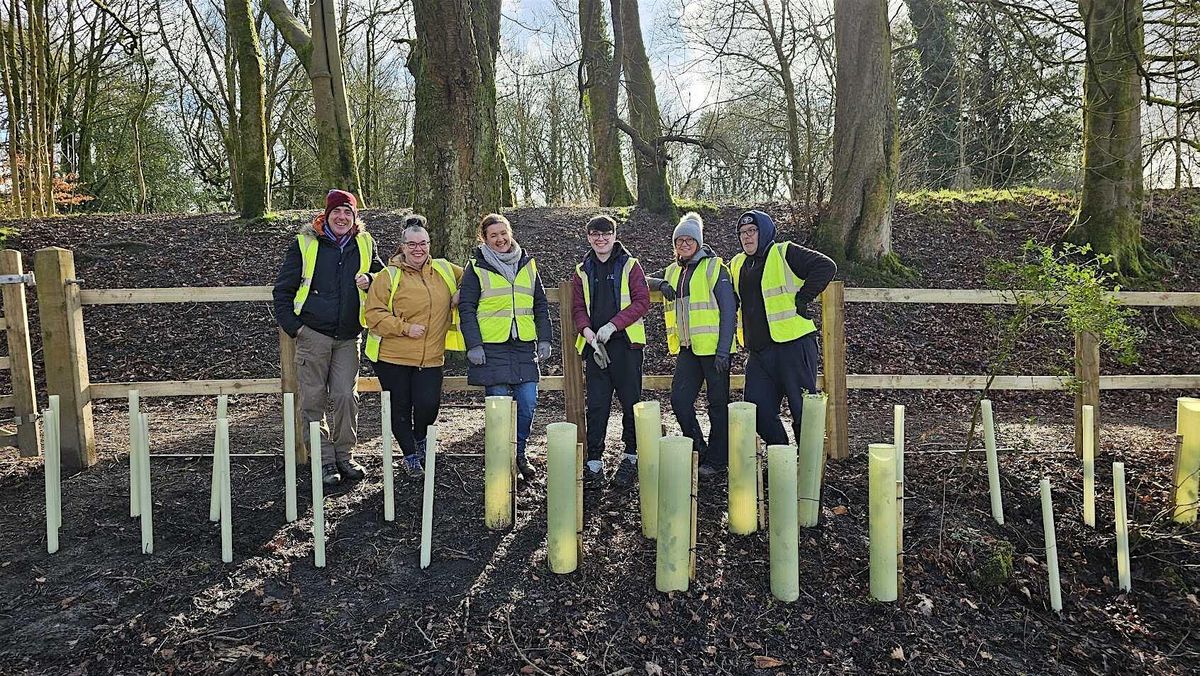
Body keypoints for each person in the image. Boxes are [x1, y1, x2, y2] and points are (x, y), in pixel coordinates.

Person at [274, 189, 383, 486]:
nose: (342, 217)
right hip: (313, 334)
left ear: (355, 216)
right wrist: (295, 328)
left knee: (346, 396)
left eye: (348, 212)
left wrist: (371, 279)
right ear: (326, 214)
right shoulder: (304, 243)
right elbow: (282, 291)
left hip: (349, 336)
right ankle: (323, 461)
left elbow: (384, 278)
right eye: (337, 211)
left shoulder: (365, 243)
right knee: (312, 400)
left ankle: (345, 456)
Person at [364, 216, 464, 476]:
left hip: (431, 356)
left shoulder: (444, 269)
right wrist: (404, 328)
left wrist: (461, 292)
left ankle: (421, 440)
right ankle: (409, 455)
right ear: (402, 246)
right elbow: (373, 315)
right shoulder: (389, 276)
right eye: (412, 244)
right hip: (393, 356)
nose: (418, 249)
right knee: (400, 407)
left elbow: (475, 276)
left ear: (429, 244)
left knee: (428, 404)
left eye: (423, 243)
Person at [457, 213, 553, 482]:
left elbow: (540, 305)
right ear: (484, 239)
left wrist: (545, 338)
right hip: (492, 347)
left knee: (528, 402)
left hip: (523, 345)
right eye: (493, 235)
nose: (500, 239)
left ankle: (519, 454)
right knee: (498, 407)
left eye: (503, 233)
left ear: (510, 233)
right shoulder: (476, 267)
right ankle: (500, 460)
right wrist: (473, 344)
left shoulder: (528, 265)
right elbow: (466, 307)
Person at [730, 210, 836, 448]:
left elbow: (826, 266)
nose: (746, 237)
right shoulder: (737, 264)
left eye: (752, 231)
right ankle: (783, 458)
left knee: (802, 410)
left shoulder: (784, 252)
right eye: (742, 233)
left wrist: (803, 298)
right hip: (759, 352)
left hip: (794, 345)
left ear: (765, 232)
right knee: (757, 410)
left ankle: (808, 470)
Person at [646, 212, 737, 479]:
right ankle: (699, 448)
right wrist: (661, 283)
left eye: (689, 239)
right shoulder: (674, 271)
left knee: (717, 405)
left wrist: (723, 350)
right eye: (679, 240)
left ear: (698, 242)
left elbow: (729, 310)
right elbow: (638, 278)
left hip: (714, 351)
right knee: (679, 400)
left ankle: (719, 460)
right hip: (688, 349)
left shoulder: (714, 267)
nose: (684, 244)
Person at [571, 214, 651, 488]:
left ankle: (631, 456)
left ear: (615, 236)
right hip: (597, 349)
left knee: (631, 403)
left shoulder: (630, 265)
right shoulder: (582, 270)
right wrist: (587, 330)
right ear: (588, 237)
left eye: (606, 233)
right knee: (597, 405)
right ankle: (594, 461)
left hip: (626, 346)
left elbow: (642, 301)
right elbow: (578, 308)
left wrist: (614, 325)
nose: (601, 238)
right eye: (595, 234)